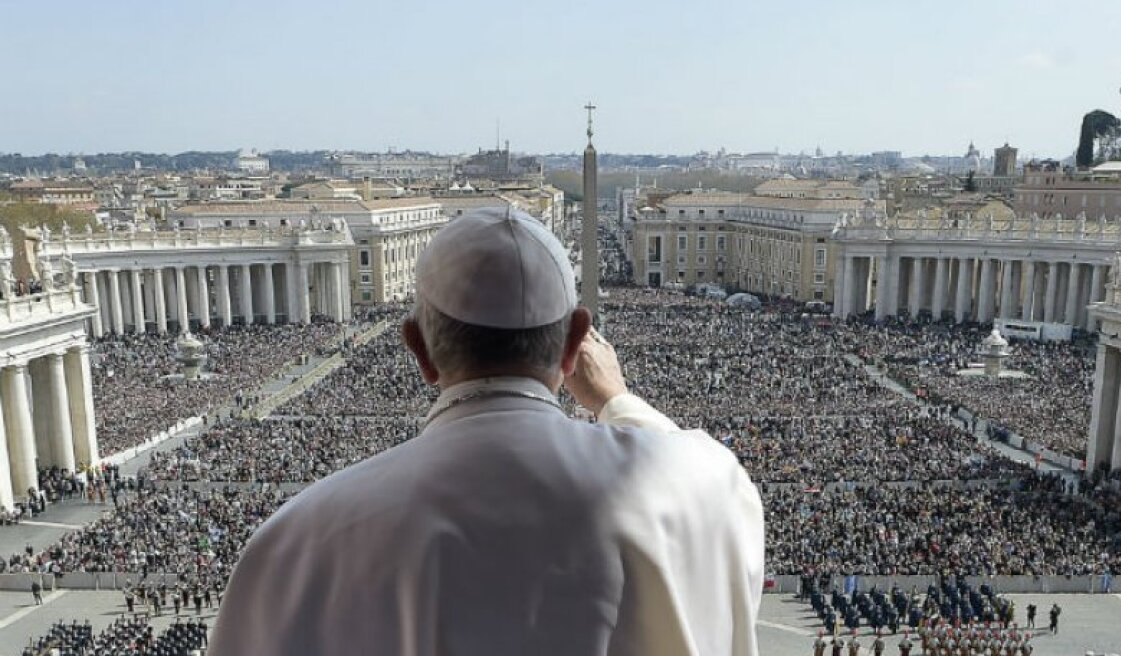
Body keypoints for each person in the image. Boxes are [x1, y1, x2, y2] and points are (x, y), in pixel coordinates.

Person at [209, 207, 765, 656]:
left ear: (418, 349)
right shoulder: (703, 486)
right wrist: (616, 401)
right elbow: (700, 473)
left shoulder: (295, 544)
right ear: (575, 344)